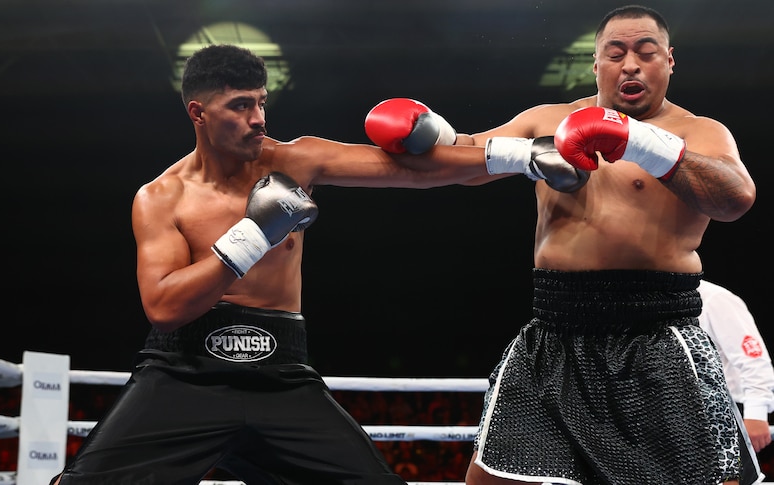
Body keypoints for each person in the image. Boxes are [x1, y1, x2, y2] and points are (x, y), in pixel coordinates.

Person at [50, 44, 499, 485]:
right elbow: (165, 308)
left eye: (262, 102)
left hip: (282, 376)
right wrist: (254, 234)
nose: (259, 119)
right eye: (241, 105)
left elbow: (422, 172)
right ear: (198, 113)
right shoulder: (161, 197)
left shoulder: (294, 162)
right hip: (184, 375)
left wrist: (526, 155)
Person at [363, 4, 759, 484]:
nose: (630, 64)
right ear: (596, 65)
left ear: (669, 61)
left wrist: (637, 142)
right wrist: (424, 134)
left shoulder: (700, 132)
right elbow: (465, 159)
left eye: (645, 52)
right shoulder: (546, 121)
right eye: (615, 53)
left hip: (655, 334)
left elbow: (735, 198)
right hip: (556, 334)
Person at [698, 279, 774, 454]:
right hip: (679, 412)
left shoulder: (714, 298)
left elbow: (753, 360)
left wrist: (756, 413)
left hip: (726, 411)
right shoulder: (648, 301)